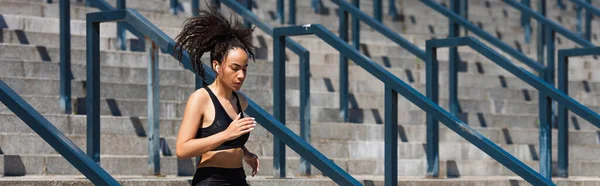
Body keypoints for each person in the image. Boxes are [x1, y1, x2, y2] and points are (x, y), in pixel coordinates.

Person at [174, 5, 259, 186]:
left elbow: (229, 141)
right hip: (211, 180)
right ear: (217, 66)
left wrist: (244, 153)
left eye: (244, 69)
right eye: (235, 68)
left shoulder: (240, 101)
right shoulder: (200, 98)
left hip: (238, 178)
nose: (241, 75)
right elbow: (182, 149)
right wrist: (227, 135)